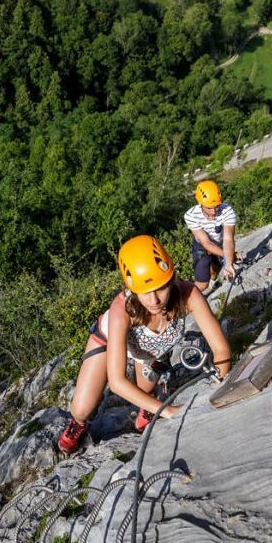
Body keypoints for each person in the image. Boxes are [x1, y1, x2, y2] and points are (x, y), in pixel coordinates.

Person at [57, 235, 232, 454]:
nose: (154, 301)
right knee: (82, 408)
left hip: (149, 352)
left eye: (160, 288)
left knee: (144, 393)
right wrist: (168, 411)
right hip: (107, 339)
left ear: (170, 279)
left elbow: (220, 348)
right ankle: (78, 424)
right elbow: (117, 382)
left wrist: (223, 387)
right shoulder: (123, 310)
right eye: (144, 292)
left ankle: (147, 407)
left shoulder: (189, 295)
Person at [184, 180, 238, 293]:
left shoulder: (227, 210)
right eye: (209, 208)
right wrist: (229, 256)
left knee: (216, 270)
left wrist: (228, 263)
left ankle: (213, 281)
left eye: (216, 207)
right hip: (201, 246)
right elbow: (206, 243)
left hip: (219, 242)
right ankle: (186, 303)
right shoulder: (191, 215)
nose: (213, 212)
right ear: (200, 203)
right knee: (203, 284)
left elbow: (228, 238)